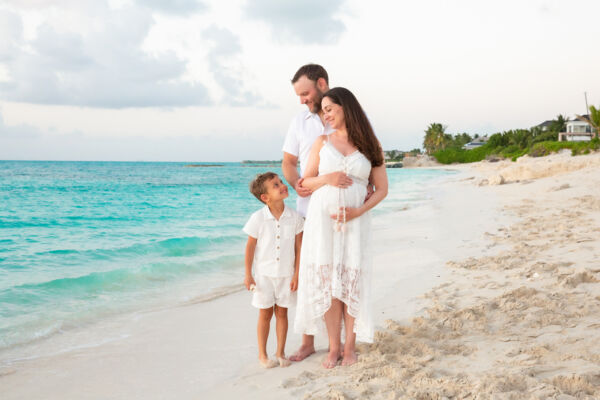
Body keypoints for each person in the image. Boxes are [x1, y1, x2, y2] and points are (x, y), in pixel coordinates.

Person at [294, 87, 388, 368]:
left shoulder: (371, 145)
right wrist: (328, 178)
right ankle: (333, 347)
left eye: (330, 109)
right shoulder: (322, 143)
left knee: (351, 280)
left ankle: (350, 348)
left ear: (346, 107)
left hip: (355, 223)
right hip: (322, 225)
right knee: (329, 284)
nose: (327, 115)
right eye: (324, 111)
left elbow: (382, 189)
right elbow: (304, 183)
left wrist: (358, 210)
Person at [281, 63, 335, 361]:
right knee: (307, 275)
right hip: (307, 210)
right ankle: (307, 341)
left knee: (337, 272)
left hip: (341, 208)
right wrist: (296, 184)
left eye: (305, 93)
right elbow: (288, 162)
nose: (302, 100)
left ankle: (339, 343)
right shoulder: (299, 121)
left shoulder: (347, 114)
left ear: (322, 84)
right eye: (298, 95)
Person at [243, 172, 304, 368]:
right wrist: (248, 274)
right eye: (276, 185)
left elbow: (299, 247)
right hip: (264, 276)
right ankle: (262, 355)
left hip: (286, 275)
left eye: (281, 182)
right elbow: (250, 247)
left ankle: (280, 352)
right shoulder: (258, 218)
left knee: (282, 314)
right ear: (265, 198)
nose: (282, 185)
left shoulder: (295, 217)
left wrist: (297, 274)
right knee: (265, 314)